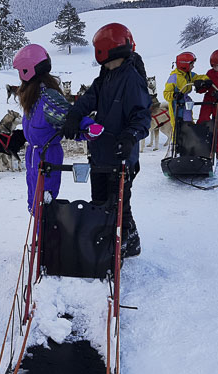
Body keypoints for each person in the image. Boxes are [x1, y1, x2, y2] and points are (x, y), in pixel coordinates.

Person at [62, 23, 151, 258]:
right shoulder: (106, 76)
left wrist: (130, 137)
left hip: (121, 155)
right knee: (99, 201)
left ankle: (126, 240)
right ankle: (109, 238)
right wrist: (74, 115)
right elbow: (89, 98)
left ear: (110, 51)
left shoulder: (131, 78)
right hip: (101, 153)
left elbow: (142, 116)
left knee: (119, 204)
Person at [12, 44, 99, 213]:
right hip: (33, 156)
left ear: (28, 70)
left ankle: (45, 238)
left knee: (44, 205)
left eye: (20, 71)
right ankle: (39, 238)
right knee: (34, 204)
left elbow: (71, 118)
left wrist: (90, 128)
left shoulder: (48, 98)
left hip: (47, 156)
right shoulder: (33, 95)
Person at [163, 52, 210, 133]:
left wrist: (205, 80)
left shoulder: (188, 75)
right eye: (191, 64)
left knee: (188, 125)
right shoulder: (174, 77)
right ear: (184, 65)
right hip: (176, 106)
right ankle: (177, 143)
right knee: (179, 128)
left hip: (185, 105)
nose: (193, 66)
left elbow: (199, 77)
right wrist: (174, 95)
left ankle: (188, 142)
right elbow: (166, 93)